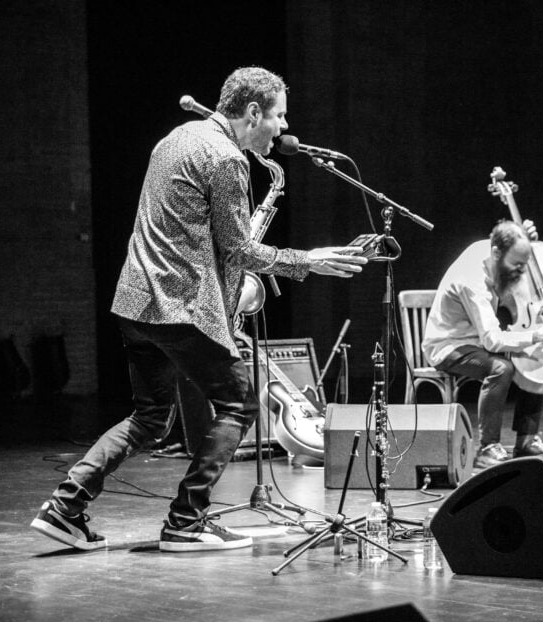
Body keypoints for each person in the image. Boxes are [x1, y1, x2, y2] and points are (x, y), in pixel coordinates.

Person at [30, 67, 367, 552]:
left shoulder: (175, 138)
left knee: (149, 419)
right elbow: (238, 251)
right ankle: (186, 521)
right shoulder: (228, 159)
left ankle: (66, 505)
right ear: (253, 113)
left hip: (136, 302)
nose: (283, 128)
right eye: (279, 116)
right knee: (241, 404)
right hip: (179, 307)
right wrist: (306, 261)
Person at [422, 220, 543, 469]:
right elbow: (493, 339)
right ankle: (487, 447)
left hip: (475, 340)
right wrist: (537, 334)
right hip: (448, 346)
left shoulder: (494, 252)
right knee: (501, 368)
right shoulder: (471, 278)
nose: (521, 271)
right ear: (497, 253)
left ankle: (527, 439)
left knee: (533, 356)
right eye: (517, 264)